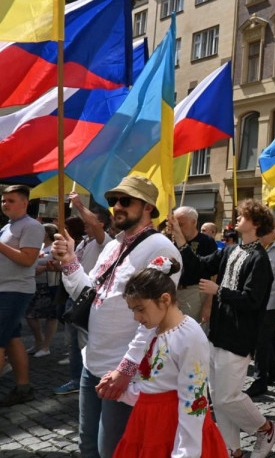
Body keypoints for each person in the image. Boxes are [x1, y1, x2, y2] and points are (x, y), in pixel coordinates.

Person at [51, 175, 182, 457]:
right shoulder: (112, 245)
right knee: (87, 446)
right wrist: (69, 261)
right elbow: (86, 292)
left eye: (125, 201)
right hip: (92, 363)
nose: (117, 207)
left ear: (148, 206)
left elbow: (156, 319)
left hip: (122, 372)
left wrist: (126, 370)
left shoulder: (162, 249)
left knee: (111, 450)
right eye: (113, 201)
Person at [169, 199, 275, 458]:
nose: (237, 218)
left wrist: (220, 291)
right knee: (217, 398)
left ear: (256, 224)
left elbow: (253, 300)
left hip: (239, 334)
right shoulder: (229, 251)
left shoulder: (259, 259)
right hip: (218, 332)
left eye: (244, 215)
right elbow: (199, 265)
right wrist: (179, 237)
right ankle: (233, 449)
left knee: (227, 397)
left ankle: (266, 428)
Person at [113, 257, 228, 458]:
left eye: (140, 309)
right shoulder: (153, 330)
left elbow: (194, 401)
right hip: (148, 424)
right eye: (133, 310)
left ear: (165, 299)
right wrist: (123, 392)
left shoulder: (188, 337)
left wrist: (185, 453)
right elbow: (153, 383)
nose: (136, 318)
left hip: (175, 430)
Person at [55, 194, 113, 396]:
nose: (84, 223)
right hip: (74, 296)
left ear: (101, 223)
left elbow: (95, 225)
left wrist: (79, 204)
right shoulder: (82, 243)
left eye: (89, 218)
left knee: (84, 342)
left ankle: (90, 380)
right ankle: (76, 379)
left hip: (89, 299)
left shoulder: (104, 241)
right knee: (72, 343)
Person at [0, 185, 45, 407]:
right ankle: (23, 387)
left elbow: (28, 260)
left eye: (10, 200)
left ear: (25, 202)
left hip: (14, 290)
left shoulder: (32, 226)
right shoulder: (9, 226)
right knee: (11, 338)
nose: (5, 204)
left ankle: (23, 387)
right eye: (3, 200)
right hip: (6, 289)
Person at [245, 228, 275, 397]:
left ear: (272, 231)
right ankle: (274, 371)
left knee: (260, 342)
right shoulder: (253, 247)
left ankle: (260, 379)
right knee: (259, 340)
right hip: (253, 303)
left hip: (271, 304)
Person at [172, 207, 218, 323]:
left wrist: (208, 304)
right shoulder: (174, 242)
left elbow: (214, 275)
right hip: (175, 291)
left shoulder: (207, 241)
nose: (178, 228)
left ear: (193, 222)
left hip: (196, 292)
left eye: (181, 224)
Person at [25, 223, 60, 358]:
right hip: (35, 284)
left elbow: (58, 263)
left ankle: (46, 346)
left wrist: (44, 268)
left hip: (49, 284)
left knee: (51, 316)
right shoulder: (40, 246)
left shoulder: (54, 248)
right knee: (30, 315)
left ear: (45, 234)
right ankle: (38, 341)